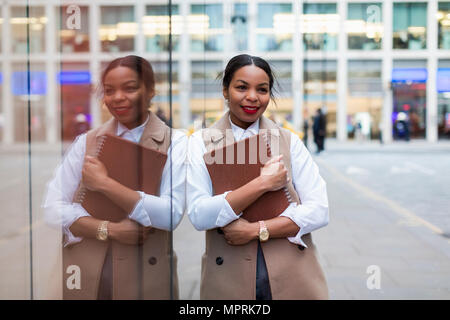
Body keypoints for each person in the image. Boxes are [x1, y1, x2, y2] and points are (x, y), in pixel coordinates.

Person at [43, 55, 187, 299]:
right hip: (85, 270)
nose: (118, 97)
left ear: (151, 90)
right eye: (109, 91)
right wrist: (108, 229)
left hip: (146, 275)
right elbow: (52, 208)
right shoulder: (87, 142)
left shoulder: (177, 142)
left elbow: (170, 214)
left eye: (130, 88)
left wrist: (104, 184)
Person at [187, 54, 329, 300]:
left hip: (291, 272)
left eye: (262, 90)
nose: (252, 96)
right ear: (225, 90)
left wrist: (256, 230)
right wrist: (263, 184)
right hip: (227, 276)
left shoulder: (288, 141)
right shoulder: (200, 143)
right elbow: (199, 214)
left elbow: (319, 210)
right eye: (242, 87)